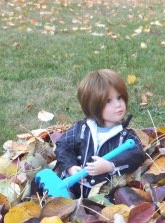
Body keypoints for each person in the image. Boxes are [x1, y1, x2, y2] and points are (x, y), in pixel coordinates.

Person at [54, 69, 147, 198]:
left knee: (122, 195)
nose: (118, 105)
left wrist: (110, 165)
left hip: (106, 192)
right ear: (94, 106)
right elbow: (63, 145)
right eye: (108, 101)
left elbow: (136, 155)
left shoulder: (126, 137)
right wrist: (70, 166)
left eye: (119, 98)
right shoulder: (80, 129)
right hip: (77, 187)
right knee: (62, 196)